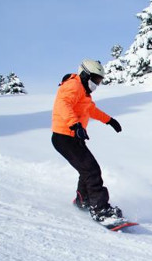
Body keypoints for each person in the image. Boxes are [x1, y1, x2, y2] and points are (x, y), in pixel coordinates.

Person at [51, 59, 124, 223]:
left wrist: (109, 120)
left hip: (72, 137)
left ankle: (83, 201)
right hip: (64, 137)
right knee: (92, 171)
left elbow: (91, 110)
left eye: (99, 81)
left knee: (87, 170)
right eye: (95, 79)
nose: (97, 84)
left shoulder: (83, 92)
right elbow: (63, 104)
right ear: (85, 74)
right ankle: (100, 209)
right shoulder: (73, 86)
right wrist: (75, 124)